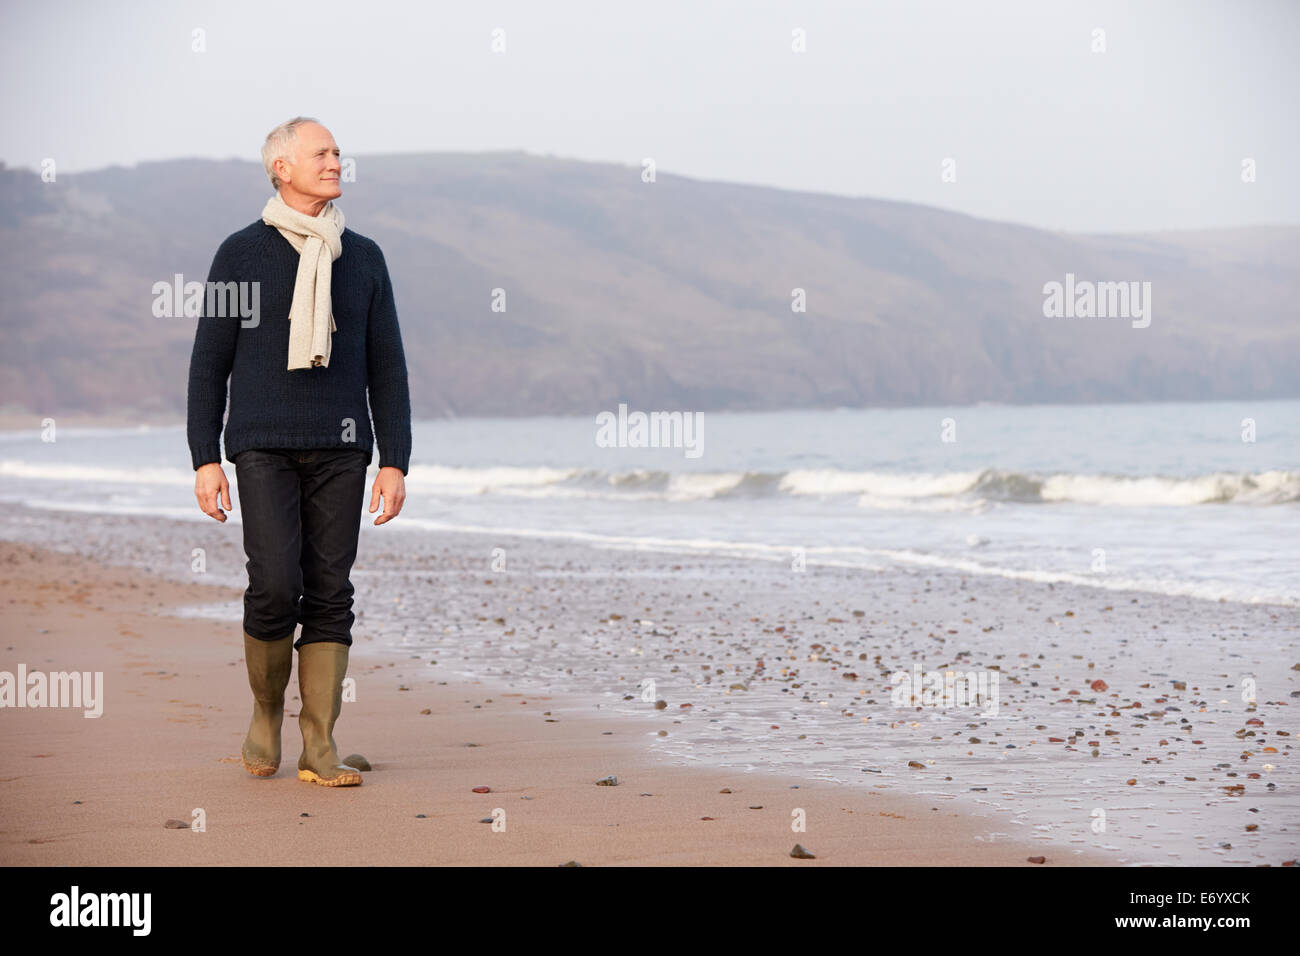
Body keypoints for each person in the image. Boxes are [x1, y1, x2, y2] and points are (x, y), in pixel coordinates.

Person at [186, 116, 412, 788]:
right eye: (321, 152)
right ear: (280, 167)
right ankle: (264, 712)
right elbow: (209, 363)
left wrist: (395, 460)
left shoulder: (364, 256)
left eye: (338, 152)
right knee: (276, 583)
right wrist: (205, 457)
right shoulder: (239, 254)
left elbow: (387, 365)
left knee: (330, 593)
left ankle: (319, 742)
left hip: (344, 448)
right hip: (262, 446)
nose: (335, 161)